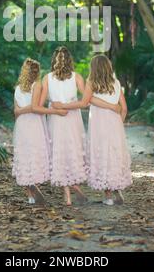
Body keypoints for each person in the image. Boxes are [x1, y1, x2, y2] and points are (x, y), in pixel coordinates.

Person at [52, 54, 131, 206]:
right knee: (114, 156)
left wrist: (62, 106)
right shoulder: (116, 83)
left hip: (99, 127)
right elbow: (124, 108)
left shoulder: (91, 83)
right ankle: (117, 191)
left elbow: (83, 103)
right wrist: (118, 124)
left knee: (102, 156)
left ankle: (108, 196)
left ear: (93, 68)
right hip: (115, 125)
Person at [13, 58, 67, 205]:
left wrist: (24, 109)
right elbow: (36, 108)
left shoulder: (18, 88)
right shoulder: (36, 86)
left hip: (21, 124)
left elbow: (16, 112)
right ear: (36, 71)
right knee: (33, 153)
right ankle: (32, 183)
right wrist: (55, 111)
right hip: (33, 124)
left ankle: (30, 195)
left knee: (25, 154)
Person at [39, 46, 87, 206]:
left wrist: (56, 105)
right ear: (70, 60)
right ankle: (75, 184)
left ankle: (67, 196)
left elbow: (40, 103)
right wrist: (69, 104)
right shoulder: (77, 77)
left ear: (54, 60)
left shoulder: (46, 78)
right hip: (73, 117)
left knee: (59, 151)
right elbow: (86, 101)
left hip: (55, 117)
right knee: (72, 150)